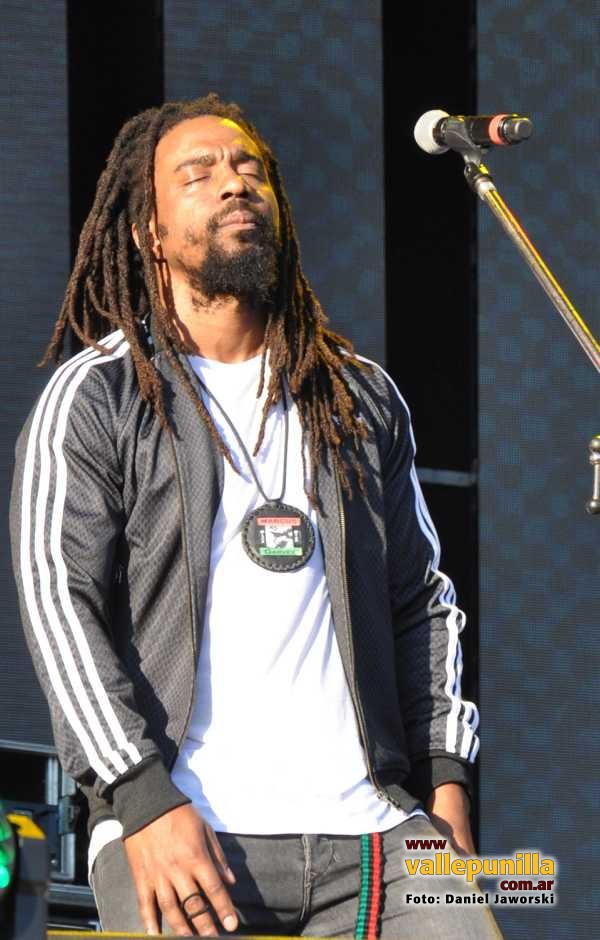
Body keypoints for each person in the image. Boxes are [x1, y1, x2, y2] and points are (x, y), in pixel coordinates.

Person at [10, 93, 501, 938]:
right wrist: (139, 798)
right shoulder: (100, 393)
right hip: (181, 822)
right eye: (197, 174)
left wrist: (445, 782)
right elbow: (60, 604)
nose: (233, 183)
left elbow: (421, 599)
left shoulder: (357, 397)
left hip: (379, 833)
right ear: (150, 233)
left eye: (248, 169)